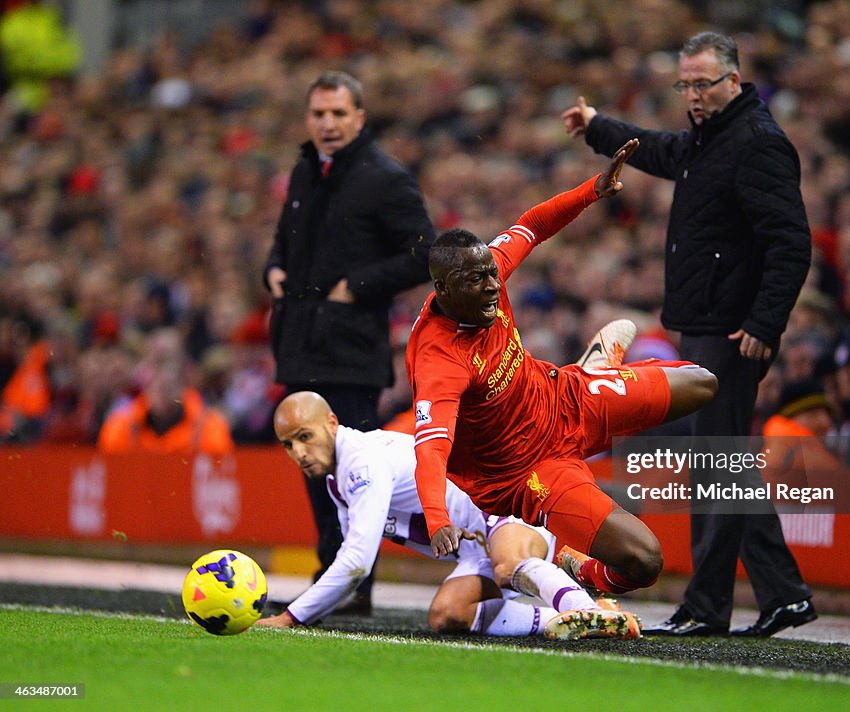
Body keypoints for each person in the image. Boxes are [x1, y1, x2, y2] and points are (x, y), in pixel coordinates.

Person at [562, 31, 814, 637]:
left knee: (715, 465)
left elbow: (791, 242)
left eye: (704, 83)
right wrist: (598, 127)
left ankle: (706, 607)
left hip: (731, 332)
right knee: (726, 465)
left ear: (734, 79)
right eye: (686, 85)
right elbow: (658, 150)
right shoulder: (712, 139)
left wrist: (763, 322)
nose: (693, 95)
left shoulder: (757, 143)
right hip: (707, 324)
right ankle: (785, 595)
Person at [406, 139, 719, 602]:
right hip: (531, 471)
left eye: (494, 273)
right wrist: (438, 520)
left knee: (702, 382)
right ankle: (587, 571)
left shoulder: (483, 270)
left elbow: (531, 225)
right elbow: (431, 452)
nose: (494, 286)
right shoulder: (439, 361)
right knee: (644, 561)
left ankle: (591, 369)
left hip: (564, 398)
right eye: (479, 281)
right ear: (443, 288)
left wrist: (593, 189)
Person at [255, 391, 641, 640]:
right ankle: (571, 616)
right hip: (477, 545)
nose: (298, 452)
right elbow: (350, 563)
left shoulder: (361, 463)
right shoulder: (336, 481)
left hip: (503, 505)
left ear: (331, 423)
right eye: (288, 444)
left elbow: (357, 562)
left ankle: (582, 608)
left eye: (305, 437)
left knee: (508, 565)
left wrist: (293, 617)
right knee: (447, 615)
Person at [263, 70, 437, 608]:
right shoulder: (306, 170)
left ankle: (346, 584)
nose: (328, 123)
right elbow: (284, 239)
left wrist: (355, 287)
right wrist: (273, 268)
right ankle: (335, 578)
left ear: (360, 117)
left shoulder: (384, 178)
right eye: (319, 114)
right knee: (316, 473)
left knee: (353, 475)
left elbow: (424, 251)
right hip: (300, 343)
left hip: (349, 351)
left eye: (339, 113)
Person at [97, 328, 233, 457]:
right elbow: (111, 473)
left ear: (184, 381)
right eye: (156, 361)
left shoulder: (209, 427)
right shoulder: (121, 427)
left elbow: (220, 469)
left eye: (169, 360)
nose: (162, 389)